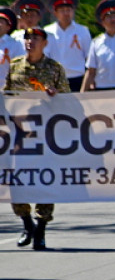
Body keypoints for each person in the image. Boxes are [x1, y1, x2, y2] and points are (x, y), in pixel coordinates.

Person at [4, 27, 69, 250]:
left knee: (44, 181)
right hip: (20, 135)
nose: (30, 41)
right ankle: (26, 223)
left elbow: (69, 101)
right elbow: (7, 96)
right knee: (17, 181)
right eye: (27, 38)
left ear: (45, 43)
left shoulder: (54, 69)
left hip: (45, 136)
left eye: (35, 38)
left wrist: (55, 96)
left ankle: (41, 228)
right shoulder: (14, 66)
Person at [42, 0, 91, 92]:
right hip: (55, 79)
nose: (66, 13)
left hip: (77, 78)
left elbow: (89, 57)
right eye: (62, 10)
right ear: (55, 13)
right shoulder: (47, 31)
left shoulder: (83, 30)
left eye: (68, 10)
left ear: (73, 11)